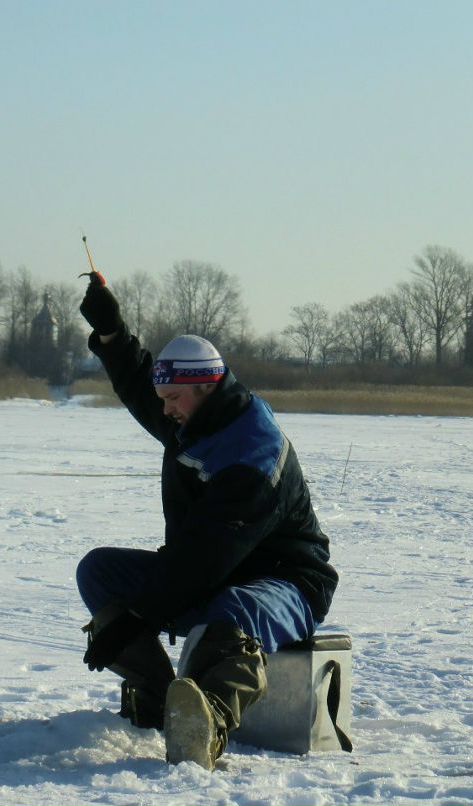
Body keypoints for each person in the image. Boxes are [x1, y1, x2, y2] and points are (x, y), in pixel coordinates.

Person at [75, 269, 338, 770]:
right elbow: (140, 384)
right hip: (214, 577)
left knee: (231, 614)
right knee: (99, 573)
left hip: (285, 584)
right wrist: (111, 332)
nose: (166, 412)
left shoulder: (251, 454)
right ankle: (159, 700)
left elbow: (203, 562)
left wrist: (134, 618)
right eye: (165, 401)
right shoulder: (196, 418)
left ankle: (207, 720)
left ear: (202, 387)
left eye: (173, 400)